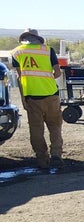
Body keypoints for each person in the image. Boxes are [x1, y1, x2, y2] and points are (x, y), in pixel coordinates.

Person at [11, 28, 64, 168]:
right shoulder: (48, 50)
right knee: (55, 126)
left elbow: (20, 77)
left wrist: (23, 98)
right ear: (38, 38)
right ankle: (56, 154)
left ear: (24, 38)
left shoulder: (16, 52)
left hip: (32, 97)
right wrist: (47, 79)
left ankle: (42, 159)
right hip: (51, 94)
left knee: (36, 129)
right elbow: (58, 72)